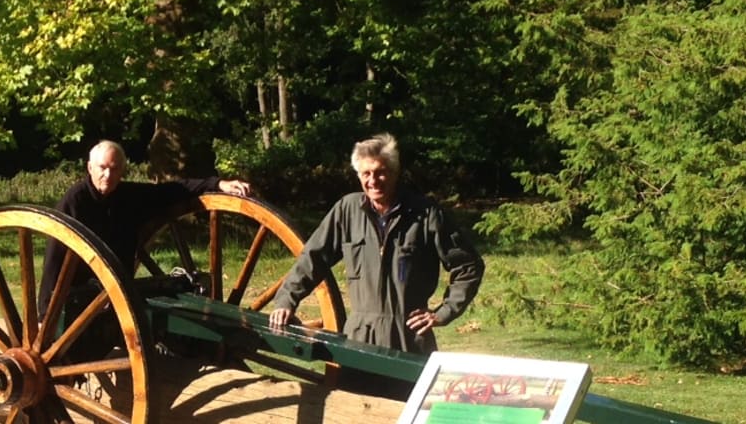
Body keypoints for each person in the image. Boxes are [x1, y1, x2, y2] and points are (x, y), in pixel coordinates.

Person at [267, 133, 484, 397]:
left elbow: (469, 266)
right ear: (358, 175)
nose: (373, 181)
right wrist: (286, 300)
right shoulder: (347, 211)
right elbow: (313, 258)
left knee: (407, 413)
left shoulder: (425, 214)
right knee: (355, 412)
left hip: (408, 338)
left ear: (395, 172)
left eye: (381, 172)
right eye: (366, 173)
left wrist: (443, 312)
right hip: (359, 338)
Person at [39, 140, 253, 321]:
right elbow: (55, 258)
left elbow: (173, 191)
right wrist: (45, 315)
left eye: (114, 169)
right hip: (79, 291)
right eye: (102, 167)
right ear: (90, 168)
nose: (107, 175)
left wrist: (217, 184)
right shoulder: (75, 201)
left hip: (118, 288)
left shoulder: (128, 196)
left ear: (122, 171)